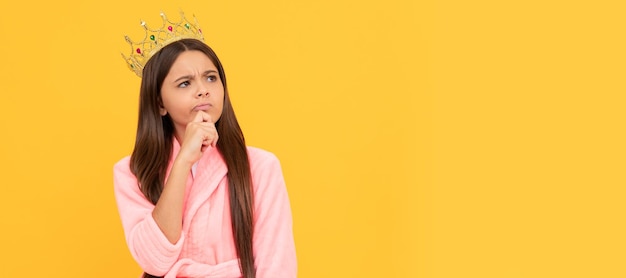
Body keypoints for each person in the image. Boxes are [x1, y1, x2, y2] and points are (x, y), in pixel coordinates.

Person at [114, 12, 297, 278]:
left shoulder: (261, 166)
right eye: (185, 83)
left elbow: (277, 266)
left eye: (211, 78)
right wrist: (182, 163)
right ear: (160, 103)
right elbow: (154, 261)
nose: (203, 90)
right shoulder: (132, 171)